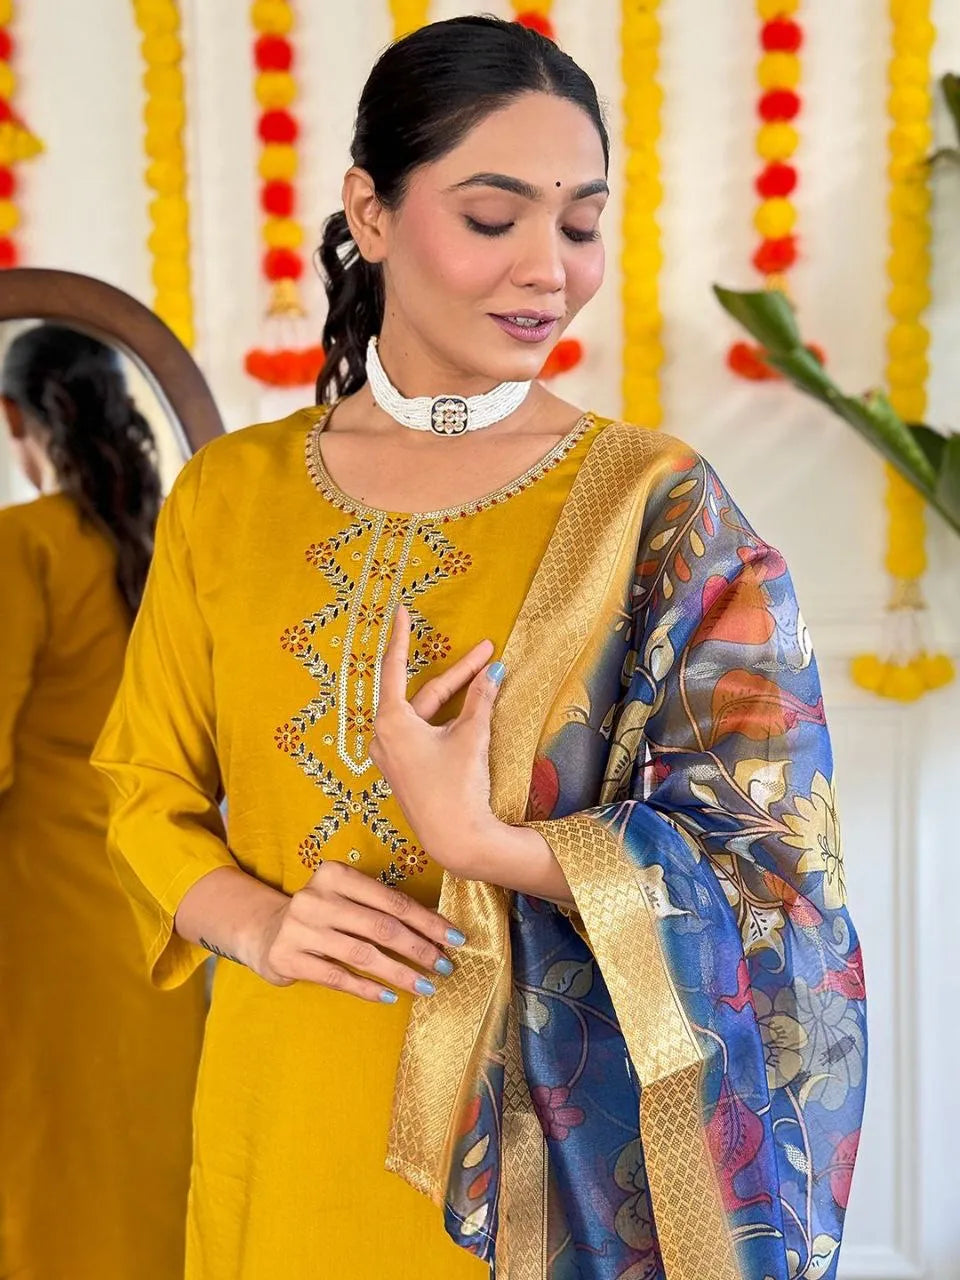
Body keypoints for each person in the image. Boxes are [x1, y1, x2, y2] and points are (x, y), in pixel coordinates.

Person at [92, 16, 867, 1280]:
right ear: (373, 210)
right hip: (277, 1113)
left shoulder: (654, 505)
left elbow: (771, 868)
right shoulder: (228, 498)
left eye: (579, 223)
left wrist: (482, 847)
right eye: (493, 216)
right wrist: (254, 920)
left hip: (541, 1163)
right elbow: (139, 785)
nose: (546, 270)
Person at [0, 324, 207, 1279]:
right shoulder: (171, 542)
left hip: (41, 912)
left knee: (52, 1151)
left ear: (15, 422)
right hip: (162, 904)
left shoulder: (23, 545)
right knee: (153, 1140)